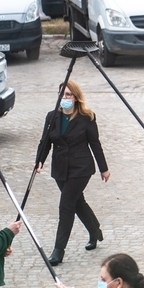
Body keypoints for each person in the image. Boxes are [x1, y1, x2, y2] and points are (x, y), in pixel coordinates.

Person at [35, 80, 110, 266]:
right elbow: (45, 141)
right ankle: (95, 231)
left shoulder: (87, 117)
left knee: (66, 205)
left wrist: (104, 168)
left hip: (81, 168)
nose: (65, 98)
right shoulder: (52, 116)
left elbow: (95, 143)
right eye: (62, 94)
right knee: (78, 202)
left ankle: (58, 250)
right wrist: (39, 160)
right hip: (60, 168)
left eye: (68, 94)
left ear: (76, 97)